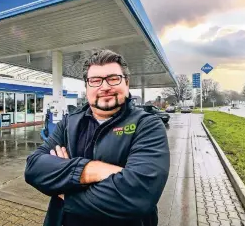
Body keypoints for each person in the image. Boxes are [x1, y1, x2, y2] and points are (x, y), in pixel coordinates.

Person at [24, 49, 170, 226]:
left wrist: (65, 190)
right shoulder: (69, 122)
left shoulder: (148, 125)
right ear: (86, 87)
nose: (105, 86)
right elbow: (34, 168)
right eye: (95, 80)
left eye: (113, 78)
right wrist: (94, 170)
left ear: (127, 82)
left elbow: (139, 196)